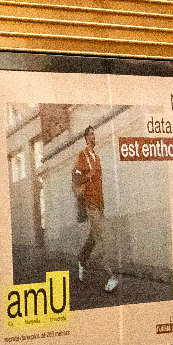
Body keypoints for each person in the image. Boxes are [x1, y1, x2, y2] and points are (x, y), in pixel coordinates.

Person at [71, 126, 119, 294]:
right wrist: (88, 175)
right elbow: (76, 177)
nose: (93, 136)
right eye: (91, 134)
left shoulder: (97, 158)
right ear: (85, 137)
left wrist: (102, 204)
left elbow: (100, 184)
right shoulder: (82, 156)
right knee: (101, 238)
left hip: (99, 204)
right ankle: (111, 276)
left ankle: (82, 260)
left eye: (94, 134)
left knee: (94, 235)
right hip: (90, 203)